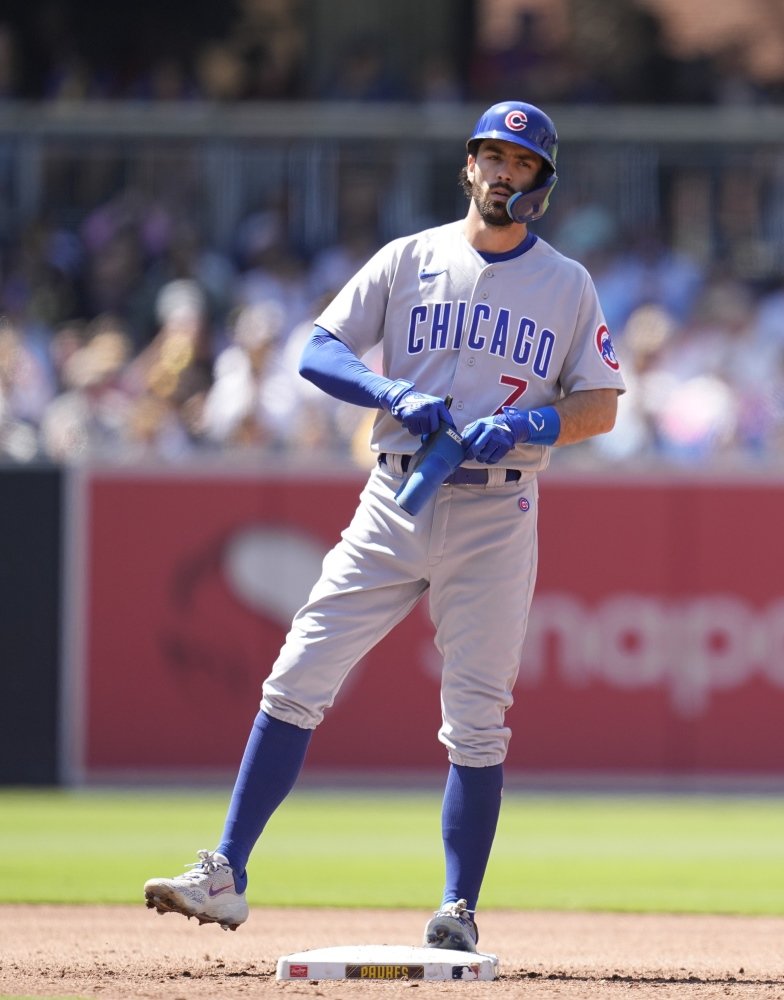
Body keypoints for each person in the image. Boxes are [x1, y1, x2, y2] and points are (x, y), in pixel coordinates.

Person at [143, 100, 626, 953]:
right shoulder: (411, 258)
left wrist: (527, 425)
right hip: (396, 494)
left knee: (477, 716)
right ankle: (225, 872)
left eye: (521, 164)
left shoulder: (567, 284)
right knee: (298, 672)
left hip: (495, 508)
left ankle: (458, 908)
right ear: (468, 166)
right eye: (492, 157)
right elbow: (319, 349)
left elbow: (599, 405)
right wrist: (392, 393)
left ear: (542, 185)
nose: (502, 174)